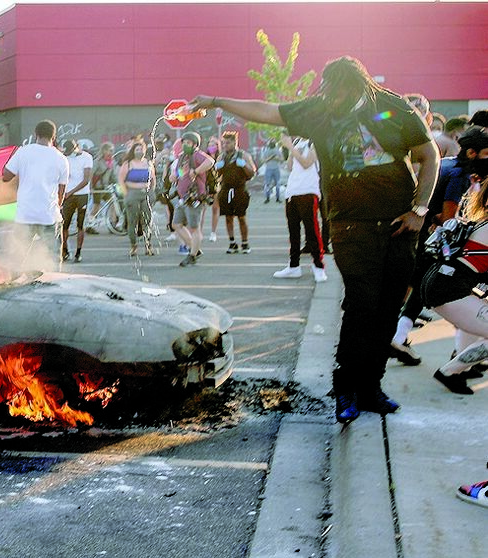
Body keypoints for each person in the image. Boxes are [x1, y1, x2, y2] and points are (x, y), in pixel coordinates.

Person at [189, 55, 440, 424]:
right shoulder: (320, 110)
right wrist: (215, 101)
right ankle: (346, 390)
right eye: (329, 92)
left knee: (388, 308)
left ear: (358, 87)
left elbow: (428, 154)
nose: (333, 99)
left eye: (340, 93)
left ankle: (372, 387)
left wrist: (420, 210)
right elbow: (268, 110)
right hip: (350, 224)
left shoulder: (391, 106)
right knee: (361, 305)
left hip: (399, 225)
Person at [391, 126, 488, 365]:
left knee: (418, 286)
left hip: (422, 236)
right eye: (487, 153)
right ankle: (399, 335)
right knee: (428, 287)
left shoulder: (450, 164)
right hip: (431, 240)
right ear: (473, 153)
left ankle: (399, 335)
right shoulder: (460, 176)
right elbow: (448, 218)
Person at [421, 181, 488, 395]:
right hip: (448, 287)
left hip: (443, 282)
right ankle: (450, 371)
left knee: (476, 320)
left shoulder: (483, 222)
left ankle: (461, 365)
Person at [2, 120, 69, 260]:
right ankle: (52, 279)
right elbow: (61, 190)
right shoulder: (61, 159)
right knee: (52, 258)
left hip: (25, 214)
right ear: (54, 137)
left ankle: (17, 279)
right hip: (49, 215)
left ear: (35, 134)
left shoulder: (23, 152)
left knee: (19, 257)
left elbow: (5, 176)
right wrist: (58, 205)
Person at [273, 134, 327, 282]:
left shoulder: (314, 142)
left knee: (312, 230)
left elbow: (307, 163)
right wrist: (291, 148)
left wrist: (290, 146)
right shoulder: (297, 143)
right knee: (293, 231)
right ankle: (294, 266)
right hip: (292, 192)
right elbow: (290, 167)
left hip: (308, 191)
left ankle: (319, 266)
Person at [169, 131, 214, 266]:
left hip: (195, 197)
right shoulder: (183, 157)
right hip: (183, 198)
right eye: (184, 143)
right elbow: (181, 173)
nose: (185, 145)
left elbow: (210, 161)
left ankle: (192, 255)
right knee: (176, 224)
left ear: (195, 144)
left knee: (194, 228)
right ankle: (194, 249)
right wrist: (175, 176)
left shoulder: (197, 155)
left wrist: (196, 170)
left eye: (188, 143)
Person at [213, 131, 256, 254]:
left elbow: (252, 173)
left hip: (240, 190)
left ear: (235, 142)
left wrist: (243, 166)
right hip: (225, 190)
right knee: (228, 218)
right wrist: (217, 168)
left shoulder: (244, 155)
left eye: (228, 142)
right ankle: (232, 243)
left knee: (241, 217)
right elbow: (216, 176)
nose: (225, 145)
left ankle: (245, 243)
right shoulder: (221, 157)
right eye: (223, 143)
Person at [117, 141, 156, 257]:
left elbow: (153, 178)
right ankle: (133, 246)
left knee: (147, 221)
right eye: (137, 149)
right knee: (132, 221)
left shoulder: (148, 163)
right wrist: (126, 194)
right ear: (133, 151)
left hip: (146, 194)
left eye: (141, 149)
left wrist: (152, 192)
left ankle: (148, 245)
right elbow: (121, 180)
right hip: (132, 193)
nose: (140, 152)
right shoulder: (128, 164)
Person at [60, 139, 93, 262]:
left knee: (80, 225)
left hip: (81, 195)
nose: (69, 154)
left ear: (77, 147)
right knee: (64, 225)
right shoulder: (64, 158)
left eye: (71, 151)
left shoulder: (86, 157)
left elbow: (85, 180)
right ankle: (65, 250)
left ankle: (78, 253)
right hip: (67, 195)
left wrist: (70, 192)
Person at [205, 135, 221, 242]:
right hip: (205, 185)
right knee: (202, 210)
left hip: (217, 186)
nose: (211, 146)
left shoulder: (221, 157)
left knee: (215, 209)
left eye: (214, 144)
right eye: (210, 144)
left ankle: (213, 233)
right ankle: (199, 232)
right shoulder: (204, 157)